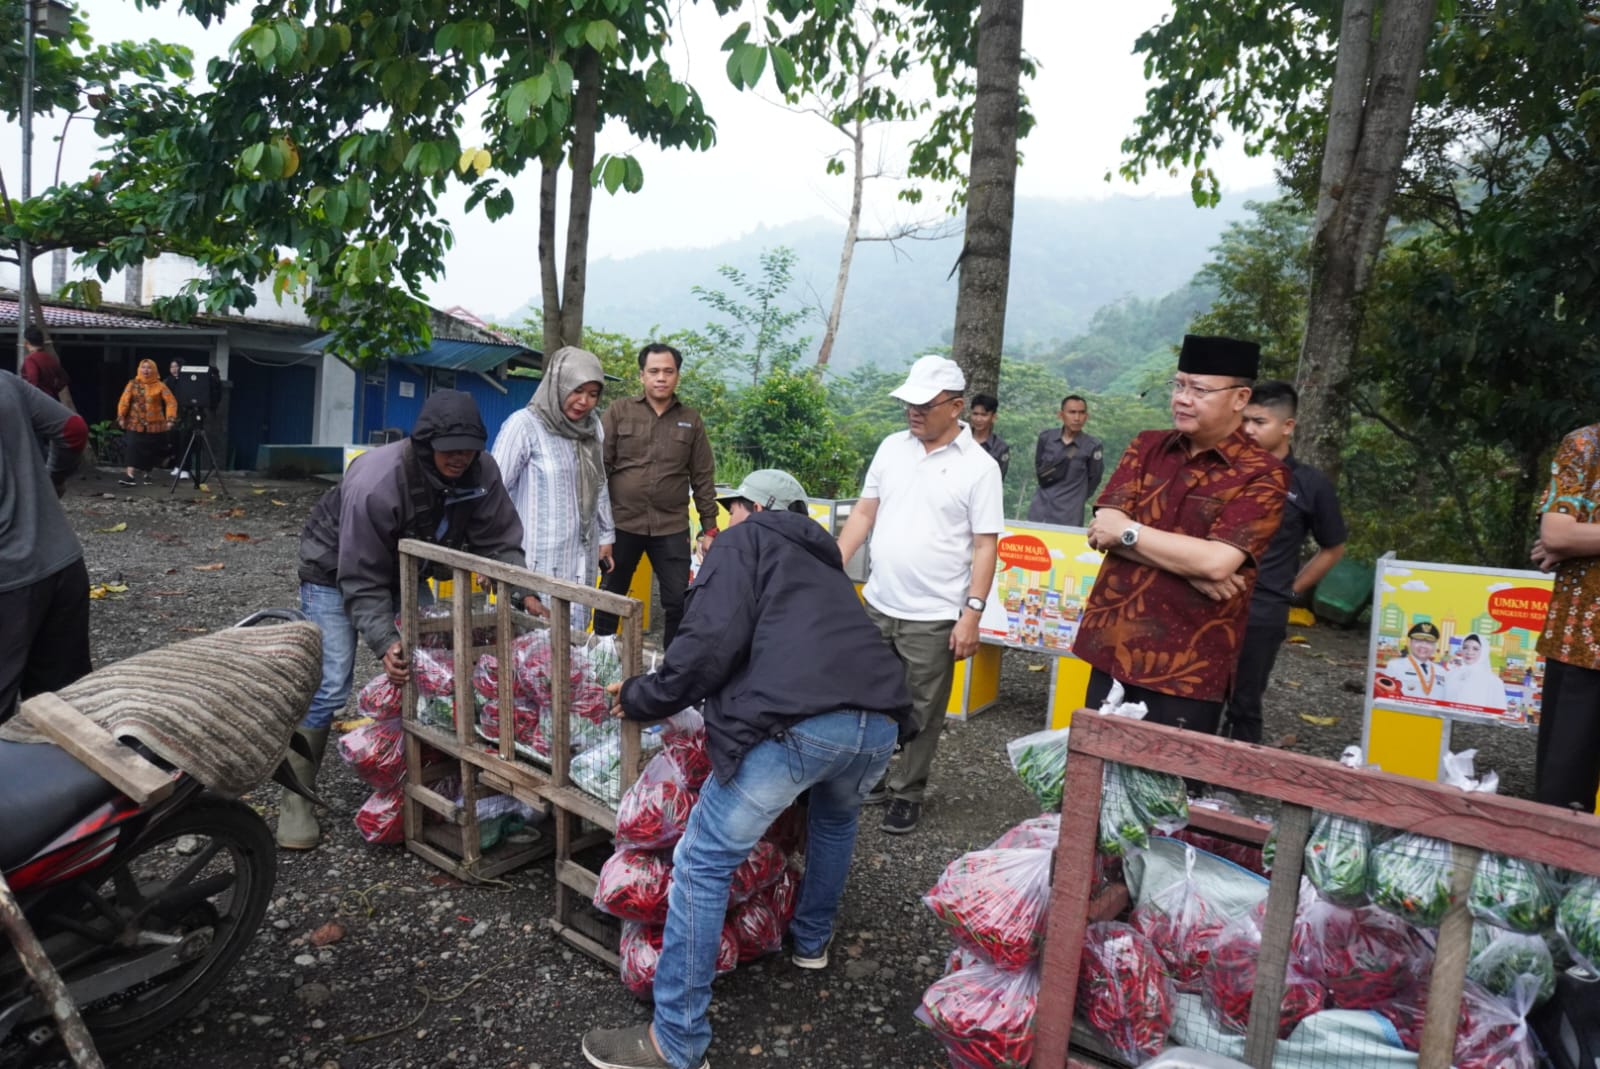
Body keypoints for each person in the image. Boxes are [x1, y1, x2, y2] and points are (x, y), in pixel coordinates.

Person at [580, 470, 913, 1069]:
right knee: (835, 823)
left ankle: (675, 1043)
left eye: (731, 507)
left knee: (703, 861)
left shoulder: (745, 539)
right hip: (880, 720)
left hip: (805, 725)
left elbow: (707, 644)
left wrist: (641, 695)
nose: (723, 521)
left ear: (753, 507)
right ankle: (810, 944)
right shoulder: (826, 560)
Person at [283, 390, 535, 849]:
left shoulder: (482, 470)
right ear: (425, 444)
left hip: (407, 563)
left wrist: (522, 588)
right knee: (331, 680)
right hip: (335, 568)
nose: (460, 458)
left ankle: (415, 776)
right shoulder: (378, 482)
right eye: (449, 449)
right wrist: (384, 641)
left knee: (430, 666)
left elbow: (500, 538)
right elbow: (360, 577)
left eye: (468, 447)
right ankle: (296, 796)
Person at [1074, 335, 1288, 733]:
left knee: (1169, 792)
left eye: (1200, 389)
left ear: (1240, 398)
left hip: (1188, 663)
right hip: (1113, 645)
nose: (1182, 398)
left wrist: (1131, 536)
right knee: (1095, 781)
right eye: (1179, 385)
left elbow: (1217, 561)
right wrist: (1190, 565)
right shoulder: (1147, 446)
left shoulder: (1263, 474)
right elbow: (1103, 529)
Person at [835, 355, 1004, 835]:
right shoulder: (892, 448)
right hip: (879, 599)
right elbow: (865, 514)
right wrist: (830, 565)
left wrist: (972, 613)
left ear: (955, 407)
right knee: (865, 695)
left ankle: (907, 791)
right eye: (908, 402)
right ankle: (870, 775)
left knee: (922, 707)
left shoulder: (979, 467)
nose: (913, 412)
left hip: (934, 613)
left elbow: (985, 544)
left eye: (925, 405)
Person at [1223, 380, 1347, 744]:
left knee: (1244, 700)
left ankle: (1230, 786)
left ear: (1287, 426)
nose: (1247, 430)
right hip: (1210, 600)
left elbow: (1333, 548)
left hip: (1262, 609)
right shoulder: (1227, 471)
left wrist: (1289, 591)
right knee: (1197, 691)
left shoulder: (1309, 484)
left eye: (1259, 422)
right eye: (1244, 420)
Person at [593, 342, 718, 650]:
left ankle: (672, 670)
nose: (661, 378)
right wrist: (597, 527)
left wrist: (710, 528)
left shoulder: (691, 419)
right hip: (621, 523)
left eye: (668, 371)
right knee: (611, 594)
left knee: (678, 600)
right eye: (654, 371)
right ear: (641, 376)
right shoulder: (619, 412)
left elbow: (702, 476)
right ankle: (600, 661)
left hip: (670, 526)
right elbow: (598, 470)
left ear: (677, 376)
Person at [491, 346, 615, 627]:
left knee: (573, 640)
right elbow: (493, 490)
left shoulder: (592, 427)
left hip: (581, 554)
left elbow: (599, 480)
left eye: (593, 394)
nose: (584, 401)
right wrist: (491, 550)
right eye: (577, 390)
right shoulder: (524, 426)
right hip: (535, 555)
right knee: (527, 645)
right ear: (558, 384)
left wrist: (607, 534)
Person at [0, 372, 91, 722]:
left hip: (8, 584)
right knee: (67, 713)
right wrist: (53, 478)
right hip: (62, 564)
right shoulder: (7, 382)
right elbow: (73, 430)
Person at [1530, 422, 1600, 811]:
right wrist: (1569, 542)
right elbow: (1556, 534)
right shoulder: (1585, 446)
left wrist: (1584, 541)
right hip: (1584, 647)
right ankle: (1552, 873)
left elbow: (1567, 538)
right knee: (1563, 798)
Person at [1026, 394, 1103, 527]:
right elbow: (1039, 466)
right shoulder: (1047, 438)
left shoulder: (1092, 446)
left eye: (1081, 413)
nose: (1077, 418)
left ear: (1087, 416)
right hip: (1040, 510)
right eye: (1072, 412)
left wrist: (1077, 498)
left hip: (1069, 515)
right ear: (1061, 415)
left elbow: (1094, 478)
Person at [115, 358, 178, 487]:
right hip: (134, 423)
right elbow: (124, 401)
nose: (146, 370)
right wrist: (121, 417)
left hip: (154, 425)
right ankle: (130, 476)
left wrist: (170, 419)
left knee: (150, 449)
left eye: (149, 368)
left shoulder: (160, 385)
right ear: (139, 369)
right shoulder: (133, 384)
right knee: (132, 447)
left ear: (154, 370)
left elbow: (171, 402)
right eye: (143, 367)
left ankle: (147, 474)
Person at [1442, 633, 1508, 712]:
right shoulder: (1450, 675)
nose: (1469, 652)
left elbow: (1499, 712)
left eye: (1475, 649)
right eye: (1465, 647)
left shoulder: (1493, 681)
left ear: (1484, 652)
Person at [1382, 622, 1447, 700]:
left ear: (1434, 646)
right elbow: (1385, 696)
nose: (1423, 646)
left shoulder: (1441, 672)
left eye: (1429, 642)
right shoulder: (1395, 666)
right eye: (1418, 641)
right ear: (1410, 642)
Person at [19, 325, 72, 408]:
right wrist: (54, 390)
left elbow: (33, 381)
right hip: (50, 400)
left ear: (26, 342)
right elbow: (64, 378)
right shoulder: (50, 358)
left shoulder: (31, 359)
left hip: (36, 403)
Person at [967, 392, 1011, 478]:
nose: (978, 419)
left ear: (993, 417)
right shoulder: (959, 438)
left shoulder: (1000, 448)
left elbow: (999, 478)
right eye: (975, 414)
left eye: (984, 415)